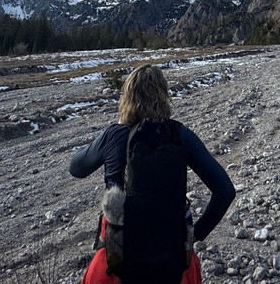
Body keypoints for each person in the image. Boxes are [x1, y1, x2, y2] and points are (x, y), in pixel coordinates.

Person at [70, 63, 235, 284]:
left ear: (127, 98)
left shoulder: (115, 135)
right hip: (171, 259)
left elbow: (76, 168)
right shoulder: (180, 135)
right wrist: (196, 234)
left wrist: (116, 129)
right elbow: (225, 191)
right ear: (163, 96)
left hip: (118, 258)